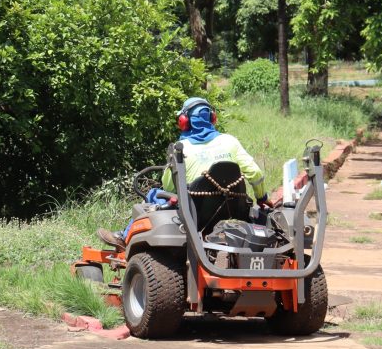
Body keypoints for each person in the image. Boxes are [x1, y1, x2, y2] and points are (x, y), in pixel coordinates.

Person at [97, 97, 267, 249]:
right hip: (233, 212)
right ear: (213, 119)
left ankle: (124, 237)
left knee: (154, 193)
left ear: (184, 121)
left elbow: (170, 187)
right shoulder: (230, 142)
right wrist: (262, 198)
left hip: (194, 216)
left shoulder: (181, 148)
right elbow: (255, 174)